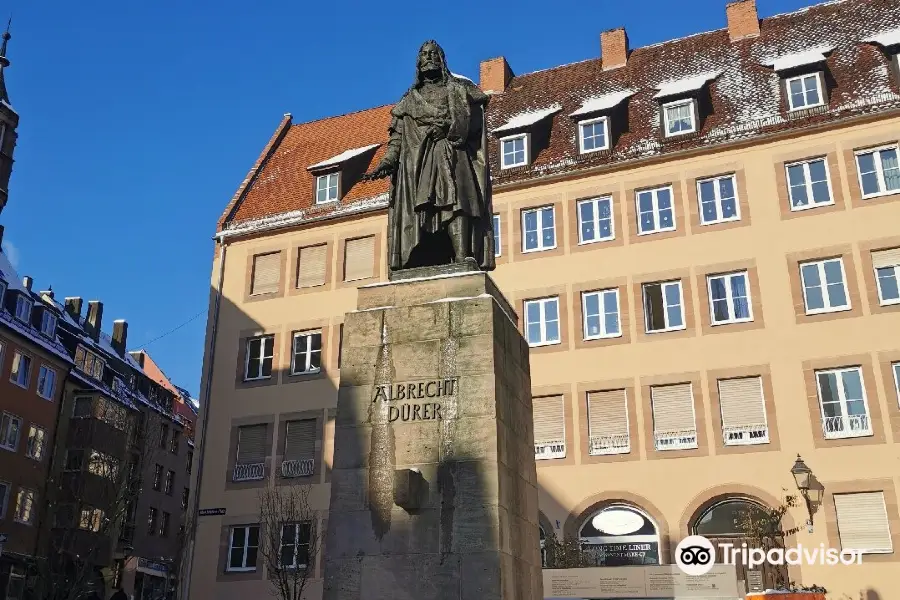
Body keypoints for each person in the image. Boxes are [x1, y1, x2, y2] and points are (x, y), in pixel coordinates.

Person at [364, 40, 495, 271]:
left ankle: (463, 256)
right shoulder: (409, 100)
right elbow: (397, 138)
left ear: (442, 59)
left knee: (459, 202)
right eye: (423, 54)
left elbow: (475, 121)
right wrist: (386, 162)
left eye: (433, 54)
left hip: (453, 153)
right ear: (418, 62)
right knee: (424, 207)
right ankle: (420, 257)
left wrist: (448, 128)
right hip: (418, 163)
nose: (428, 58)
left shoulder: (458, 89)